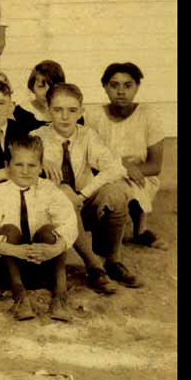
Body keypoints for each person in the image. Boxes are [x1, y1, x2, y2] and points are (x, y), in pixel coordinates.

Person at [34, 83, 139, 289]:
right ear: (47, 111)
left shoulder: (87, 135)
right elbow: (23, 167)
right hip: (50, 214)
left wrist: (82, 195)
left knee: (116, 192)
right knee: (63, 193)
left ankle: (113, 260)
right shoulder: (37, 137)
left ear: (81, 112)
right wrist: (40, 160)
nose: (65, 117)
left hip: (82, 204)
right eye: (58, 110)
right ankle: (94, 266)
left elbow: (115, 168)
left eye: (72, 110)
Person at [0, 135, 77, 322]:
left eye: (32, 165)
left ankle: (60, 298)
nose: (25, 171)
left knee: (51, 231)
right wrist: (13, 250)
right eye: (19, 165)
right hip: (11, 266)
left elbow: (70, 225)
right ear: (7, 166)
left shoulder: (50, 190)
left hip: (43, 262)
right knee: (9, 229)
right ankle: (19, 296)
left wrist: (53, 248)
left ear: (40, 167)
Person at [85, 62, 168, 250]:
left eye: (127, 85)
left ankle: (140, 229)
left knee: (127, 185)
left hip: (141, 175)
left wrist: (129, 170)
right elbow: (90, 154)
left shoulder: (149, 115)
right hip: (102, 171)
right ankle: (104, 230)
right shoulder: (94, 115)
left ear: (137, 87)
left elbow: (155, 166)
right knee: (110, 186)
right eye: (114, 85)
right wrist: (121, 165)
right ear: (105, 87)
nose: (121, 91)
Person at [13, 60, 66, 132]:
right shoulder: (21, 113)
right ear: (32, 87)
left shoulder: (71, 111)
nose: (47, 92)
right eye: (41, 86)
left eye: (52, 86)